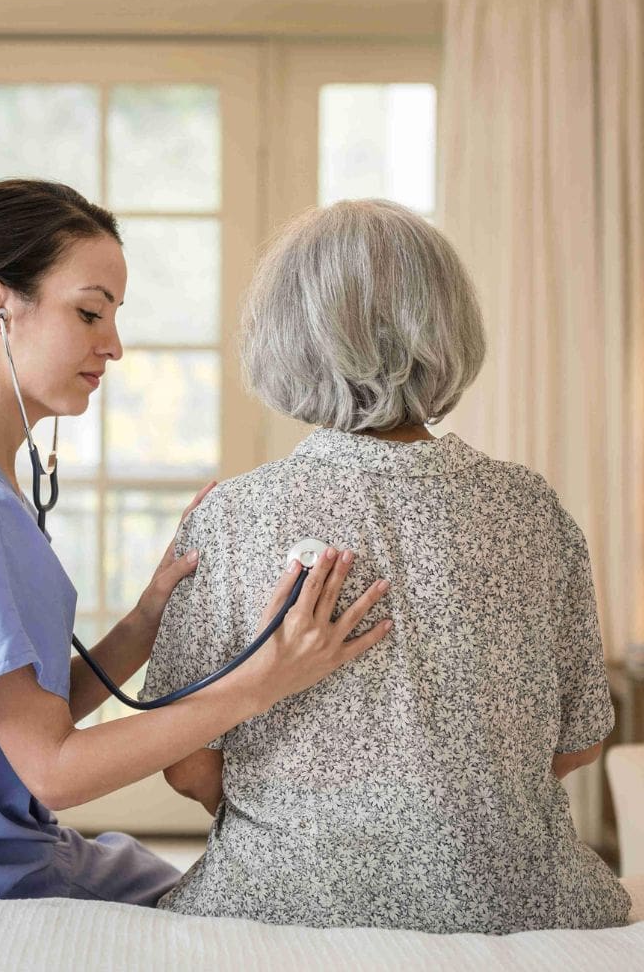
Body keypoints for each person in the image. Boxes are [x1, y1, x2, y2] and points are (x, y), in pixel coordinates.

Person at [0, 179, 392, 905]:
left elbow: (11, 717)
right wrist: (262, 684)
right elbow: (53, 769)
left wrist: (146, 619)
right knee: (228, 911)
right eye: (90, 312)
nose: (114, 345)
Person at [141, 198, 632, 933]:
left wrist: (327, 823)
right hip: (519, 907)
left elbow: (185, 764)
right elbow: (582, 740)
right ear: (451, 330)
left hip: (280, 905)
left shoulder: (232, 517)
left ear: (284, 338)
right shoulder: (533, 509)